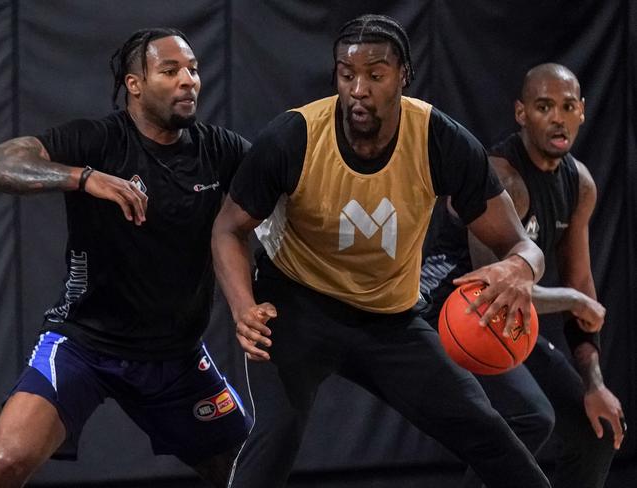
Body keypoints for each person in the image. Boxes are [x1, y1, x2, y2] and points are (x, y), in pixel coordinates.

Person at [212, 14, 551, 488]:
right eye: (347, 74)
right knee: (277, 436)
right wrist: (243, 306)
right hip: (296, 304)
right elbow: (229, 228)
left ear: (403, 76)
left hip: (388, 317)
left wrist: (519, 268)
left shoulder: (439, 139)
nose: (358, 88)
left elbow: (521, 244)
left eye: (375, 74)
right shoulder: (295, 135)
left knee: (486, 430)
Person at [0, 28, 251, 488]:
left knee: (245, 471)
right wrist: (82, 177)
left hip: (176, 357)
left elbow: (287, 193)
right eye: (170, 71)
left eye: (192, 69)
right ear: (135, 84)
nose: (188, 80)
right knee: (8, 461)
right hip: (85, 345)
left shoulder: (220, 149)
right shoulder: (98, 140)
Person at [420, 63, 625, 488]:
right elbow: (491, 284)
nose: (557, 117)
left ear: (582, 112)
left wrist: (594, 383)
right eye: (544, 106)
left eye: (568, 107)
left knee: (597, 427)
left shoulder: (580, 184)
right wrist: (571, 299)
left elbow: (581, 285)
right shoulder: (502, 177)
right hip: (450, 309)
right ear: (521, 113)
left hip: (505, 317)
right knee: (529, 415)